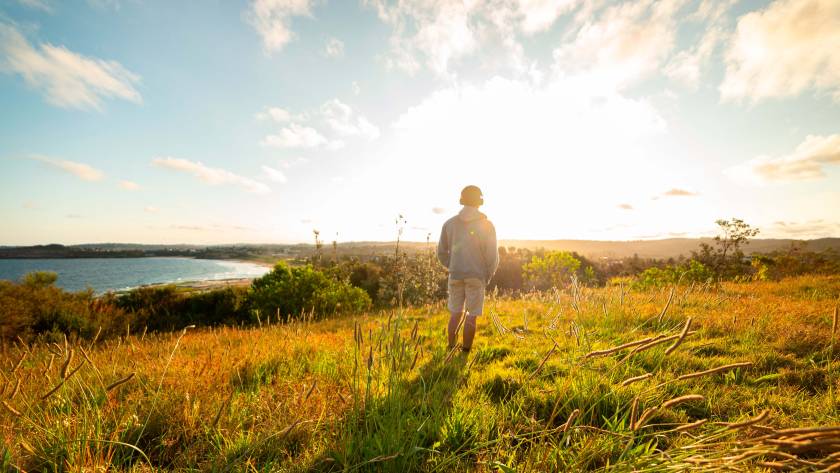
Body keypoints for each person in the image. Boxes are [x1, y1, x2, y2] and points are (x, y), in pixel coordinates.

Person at [437, 185, 499, 352]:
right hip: (476, 276)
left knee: (455, 313)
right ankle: (465, 352)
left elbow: (441, 252)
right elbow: (492, 255)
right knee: (471, 316)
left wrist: (452, 265)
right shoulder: (487, 225)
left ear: (462, 200)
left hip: (455, 275)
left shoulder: (449, 224)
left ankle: (450, 348)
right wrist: (488, 274)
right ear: (480, 201)